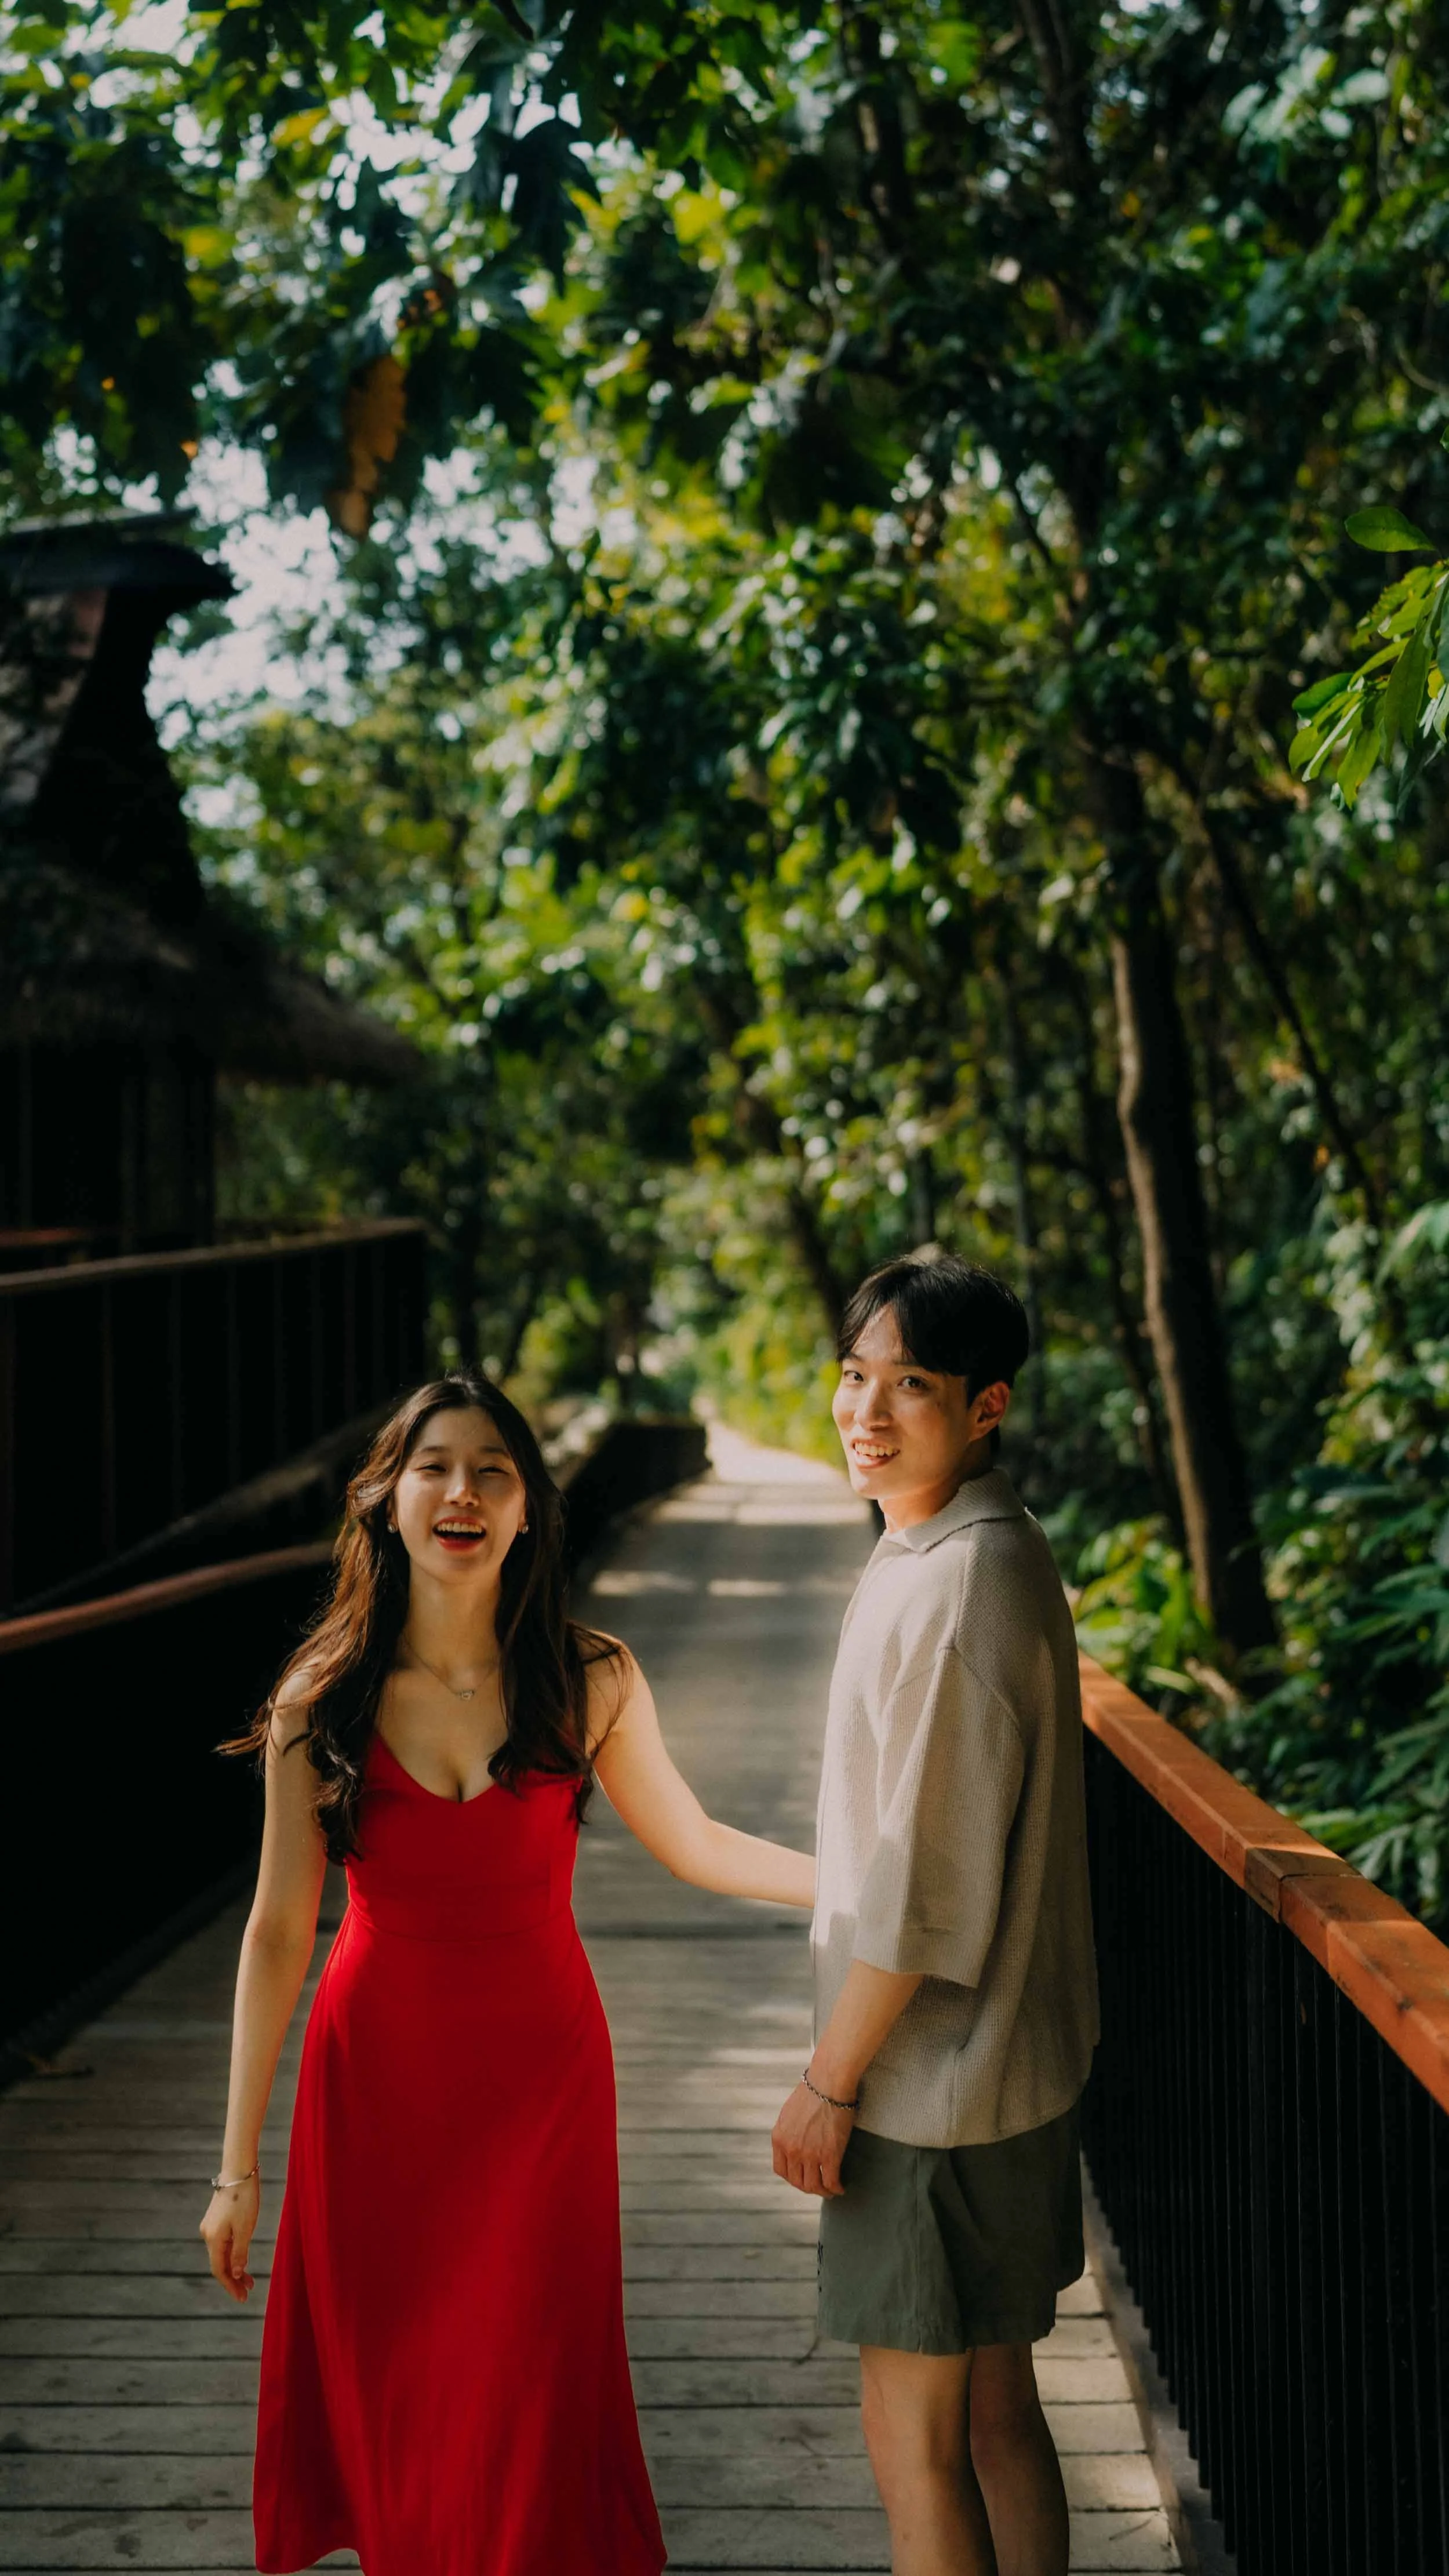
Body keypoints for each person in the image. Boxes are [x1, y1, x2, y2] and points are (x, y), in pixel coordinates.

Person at [201, 1370, 814, 2576]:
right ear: (384, 1497)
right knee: (409, 2410)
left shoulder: (591, 1675)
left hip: (543, 2088)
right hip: (375, 2093)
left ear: (531, 1506)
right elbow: (277, 1931)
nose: (463, 1490)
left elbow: (693, 1842)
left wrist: (857, 1881)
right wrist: (235, 2169)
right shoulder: (319, 1698)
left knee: (528, 2395)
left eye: (494, 1470)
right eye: (434, 1465)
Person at [771, 1255, 1098, 2576]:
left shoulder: (957, 1584)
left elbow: (918, 1887)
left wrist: (825, 2079)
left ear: (985, 1405)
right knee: (995, 2408)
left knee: (913, 2437)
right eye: (855, 1374)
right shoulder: (965, 1548)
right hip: (1002, 2071)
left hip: (925, 2089)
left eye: (910, 1382)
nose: (866, 1407)